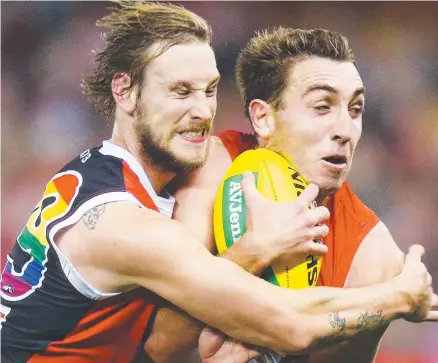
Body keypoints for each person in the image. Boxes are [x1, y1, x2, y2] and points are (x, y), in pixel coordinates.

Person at [0, 3, 436, 363]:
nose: (201, 110)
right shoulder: (120, 225)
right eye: (180, 91)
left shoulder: (105, 171)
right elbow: (290, 326)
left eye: (209, 90)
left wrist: (251, 251)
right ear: (126, 92)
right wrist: (400, 296)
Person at [139, 27, 438, 363]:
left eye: (355, 109)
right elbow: (160, 344)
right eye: (322, 106)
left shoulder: (372, 260)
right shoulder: (213, 169)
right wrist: (254, 252)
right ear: (263, 118)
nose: (344, 130)